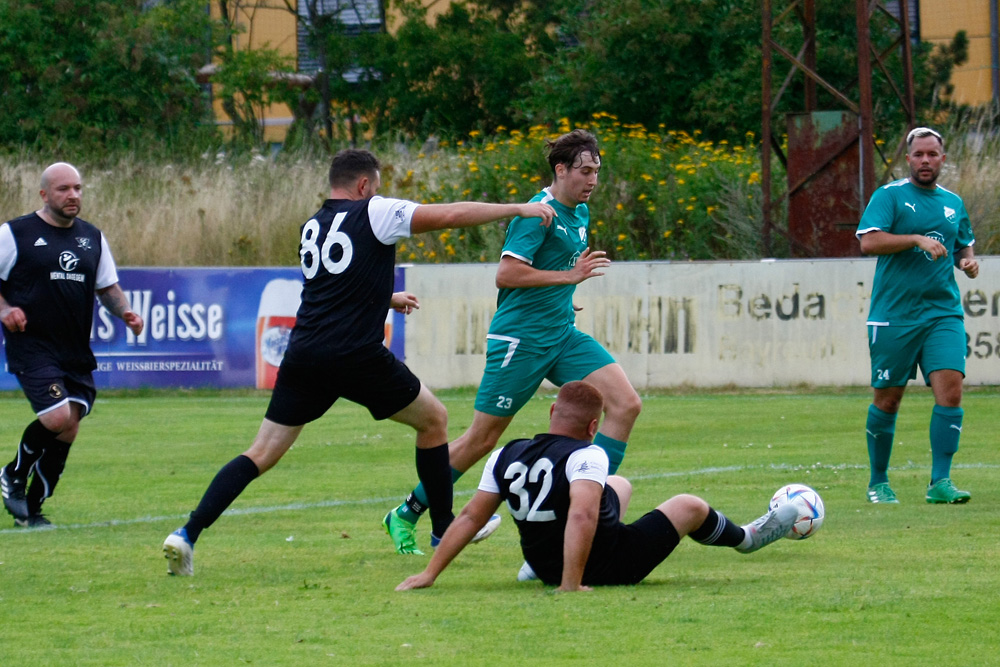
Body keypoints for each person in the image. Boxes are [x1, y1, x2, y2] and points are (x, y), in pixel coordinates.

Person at [161, 148, 555, 576]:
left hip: (305, 352)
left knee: (262, 451)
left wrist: (387, 298)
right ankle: (443, 529)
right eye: (378, 186)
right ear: (365, 185)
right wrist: (517, 208)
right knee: (435, 420)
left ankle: (186, 533)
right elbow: (447, 215)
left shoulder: (312, 225)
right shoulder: (376, 210)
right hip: (353, 353)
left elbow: (333, 287)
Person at [383, 129, 642, 555]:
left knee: (626, 404)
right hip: (519, 340)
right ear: (561, 169)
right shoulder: (536, 213)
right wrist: (568, 278)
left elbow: (552, 270)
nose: (592, 180)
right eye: (585, 171)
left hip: (560, 334)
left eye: (597, 171)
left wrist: (563, 295)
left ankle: (592, 508)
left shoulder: (579, 212)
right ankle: (407, 512)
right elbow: (506, 275)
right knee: (482, 439)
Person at [396, 381, 798, 591]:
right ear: (593, 428)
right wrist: (572, 584)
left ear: (553, 412)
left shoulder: (507, 452)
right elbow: (583, 514)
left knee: (617, 485)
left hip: (542, 561)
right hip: (600, 566)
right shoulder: (588, 454)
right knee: (688, 505)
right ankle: (746, 538)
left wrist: (431, 573)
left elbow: (468, 517)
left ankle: (534, 570)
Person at [0, 162, 145, 528]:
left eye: (78, 188)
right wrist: (5, 308)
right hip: (32, 345)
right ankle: (13, 474)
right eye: (64, 189)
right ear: (44, 195)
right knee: (56, 416)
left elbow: (107, 287)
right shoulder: (15, 233)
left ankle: (32, 509)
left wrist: (125, 312)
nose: (73, 195)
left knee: (69, 427)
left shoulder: (92, 238)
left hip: (74, 350)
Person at [857, 126, 978, 505]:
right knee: (888, 400)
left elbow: (963, 243)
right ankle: (879, 483)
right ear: (908, 159)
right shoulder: (890, 196)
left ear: (942, 159)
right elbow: (868, 241)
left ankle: (940, 483)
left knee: (951, 392)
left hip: (942, 313)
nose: (926, 161)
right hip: (894, 315)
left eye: (932, 154)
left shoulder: (953, 202)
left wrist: (969, 261)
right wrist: (915, 239)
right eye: (919, 155)